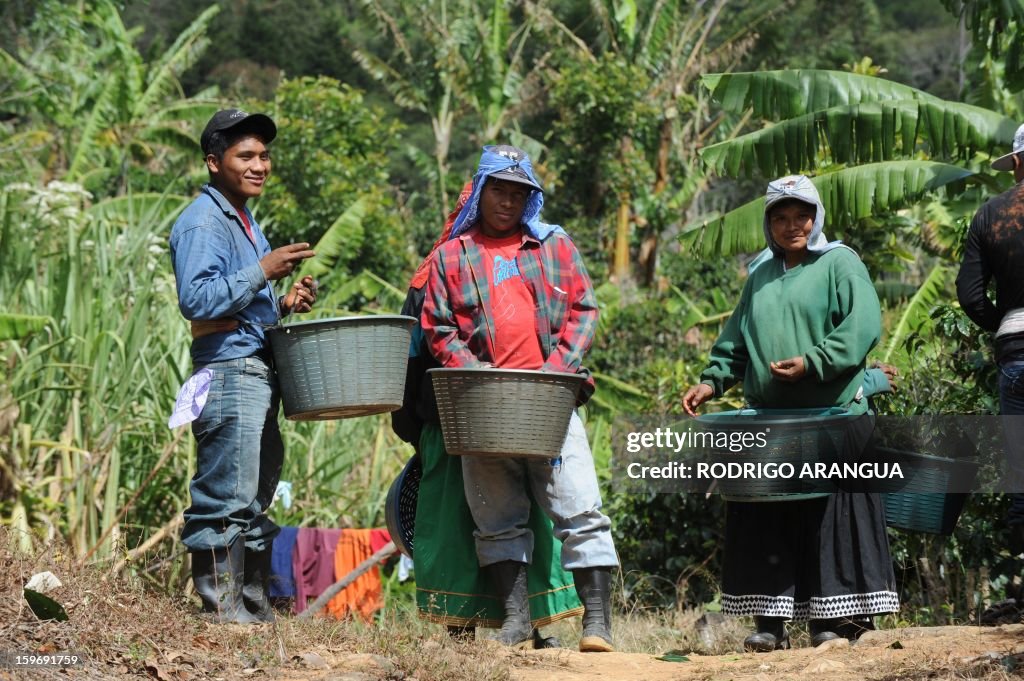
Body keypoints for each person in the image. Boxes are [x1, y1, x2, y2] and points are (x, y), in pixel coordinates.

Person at [682, 175, 899, 650]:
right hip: (773, 424)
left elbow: (862, 325)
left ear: (816, 216)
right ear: (768, 223)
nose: (791, 225)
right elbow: (735, 342)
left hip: (834, 417)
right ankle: (770, 626)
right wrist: (710, 381)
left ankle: (834, 624)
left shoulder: (840, 263)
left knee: (828, 521)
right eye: (779, 217)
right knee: (769, 521)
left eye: (801, 215)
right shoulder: (760, 273)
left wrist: (813, 363)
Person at [420, 145, 618, 652]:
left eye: (517, 192)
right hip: (483, 404)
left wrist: (558, 370)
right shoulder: (451, 256)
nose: (507, 201)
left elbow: (584, 309)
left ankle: (597, 624)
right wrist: (478, 375)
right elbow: (439, 330)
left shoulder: (555, 246)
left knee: (578, 505)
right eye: (498, 190)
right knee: (497, 514)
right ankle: (514, 620)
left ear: (529, 198)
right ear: (480, 192)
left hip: (551, 397)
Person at [391, 181, 581, 647]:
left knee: (499, 519)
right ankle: (487, 627)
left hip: (492, 413)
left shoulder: (521, 257)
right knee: (477, 521)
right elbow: (421, 347)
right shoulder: (443, 267)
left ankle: (513, 626)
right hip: (453, 418)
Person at [169, 109, 317, 624]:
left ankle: (251, 613)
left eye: (264, 155)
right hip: (229, 371)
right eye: (245, 155)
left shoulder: (243, 221)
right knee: (225, 497)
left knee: (252, 498)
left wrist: (284, 300)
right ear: (214, 162)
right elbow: (197, 300)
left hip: (254, 368)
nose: (259, 165)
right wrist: (264, 268)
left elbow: (238, 307)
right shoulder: (204, 221)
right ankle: (222, 615)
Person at [956, 123, 1024, 621]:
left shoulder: (991, 215)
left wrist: (1003, 322)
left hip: (1017, 351)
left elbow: (970, 296)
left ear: (1016, 162)